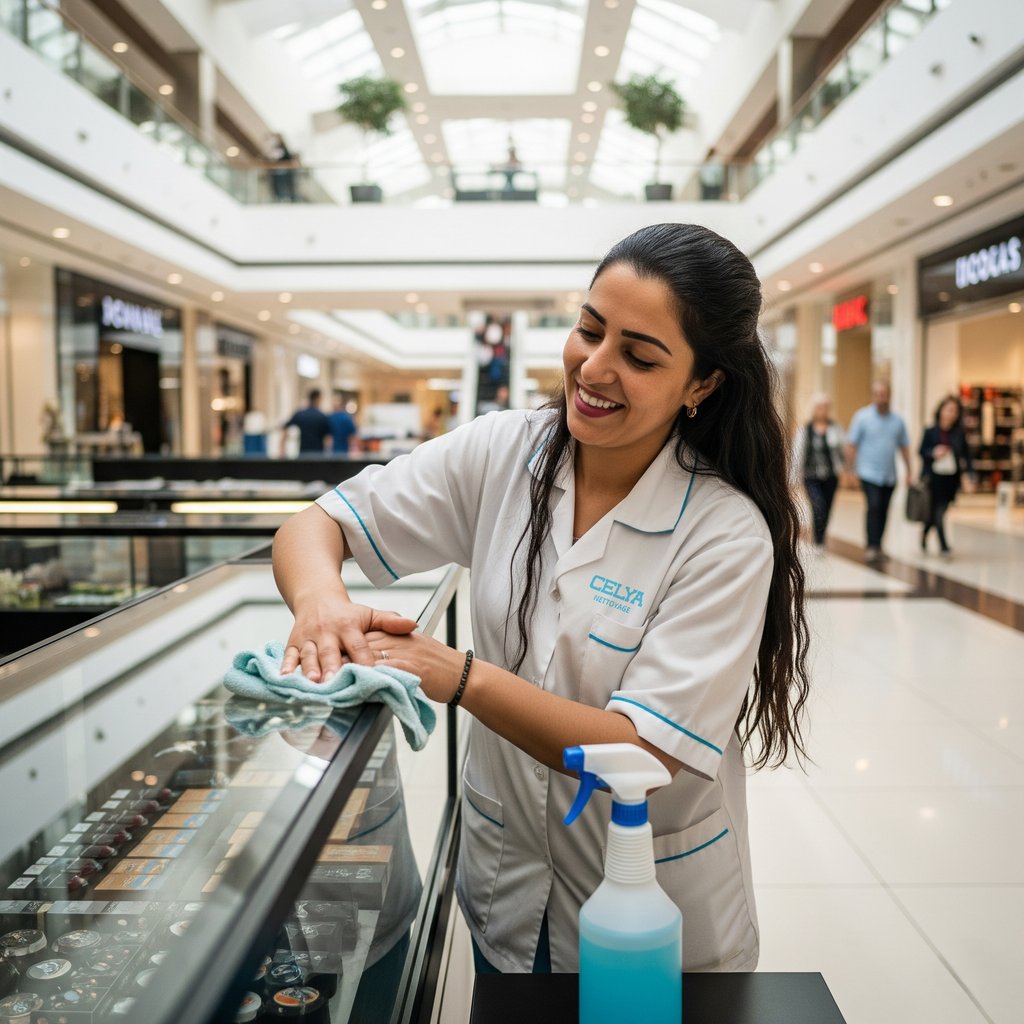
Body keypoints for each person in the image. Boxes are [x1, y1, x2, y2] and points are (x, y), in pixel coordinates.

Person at [271, 223, 811, 975]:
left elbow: (642, 749)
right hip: (507, 893)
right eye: (590, 329)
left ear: (702, 384)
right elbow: (315, 525)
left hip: (658, 924)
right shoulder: (503, 451)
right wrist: (321, 603)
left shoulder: (723, 533)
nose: (594, 367)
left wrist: (460, 675)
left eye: (639, 355)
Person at [845, 380, 912, 562]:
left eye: (884, 394)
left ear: (890, 395)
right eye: (878, 394)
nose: (881, 398)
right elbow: (851, 445)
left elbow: (904, 447)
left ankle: (879, 545)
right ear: (873, 395)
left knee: (884, 509)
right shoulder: (862, 417)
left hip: (889, 475)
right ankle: (871, 545)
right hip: (868, 473)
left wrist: (909, 470)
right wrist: (849, 470)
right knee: (873, 506)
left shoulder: (898, 421)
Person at [919, 394, 975, 558]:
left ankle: (925, 532)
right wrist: (933, 453)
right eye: (948, 409)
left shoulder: (958, 434)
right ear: (941, 410)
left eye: (954, 411)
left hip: (950, 480)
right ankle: (944, 546)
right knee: (937, 512)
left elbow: (966, 456)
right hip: (933, 479)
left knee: (937, 512)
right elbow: (921, 451)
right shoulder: (930, 432)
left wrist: (971, 476)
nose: (951, 414)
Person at [791, 393, 845, 549]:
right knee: (818, 505)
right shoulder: (804, 430)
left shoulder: (836, 428)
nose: (823, 410)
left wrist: (846, 468)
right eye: (820, 407)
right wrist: (793, 479)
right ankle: (818, 539)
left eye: (826, 407)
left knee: (828, 506)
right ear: (814, 409)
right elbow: (797, 455)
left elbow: (843, 451)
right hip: (811, 475)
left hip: (831, 475)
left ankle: (822, 534)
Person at [281, 389, 330, 456]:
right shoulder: (322, 417)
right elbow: (327, 439)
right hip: (318, 456)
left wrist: (282, 449)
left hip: (303, 455)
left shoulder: (300, 414)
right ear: (318, 399)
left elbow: (285, 427)